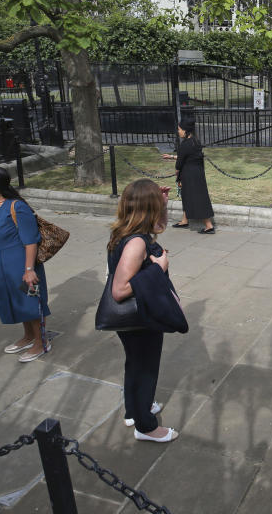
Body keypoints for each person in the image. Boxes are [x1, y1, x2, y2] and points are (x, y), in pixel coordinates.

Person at [107, 179, 178, 443]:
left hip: (132, 318)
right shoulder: (137, 243)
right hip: (141, 318)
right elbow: (120, 289)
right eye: (157, 204)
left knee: (136, 364)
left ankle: (135, 409)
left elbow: (159, 226)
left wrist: (164, 204)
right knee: (145, 368)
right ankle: (145, 426)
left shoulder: (125, 232)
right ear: (148, 207)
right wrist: (159, 267)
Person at [0, 166, 50, 362]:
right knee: (14, 301)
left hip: (20, 266)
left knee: (30, 303)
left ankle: (41, 342)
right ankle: (29, 336)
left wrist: (29, 270)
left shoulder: (17, 207)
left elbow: (31, 241)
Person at [161, 119, 215, 234]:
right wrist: (171, 156)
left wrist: (177, 172)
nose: (178, 131)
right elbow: (189, 157)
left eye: (179, 129)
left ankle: (209, 226)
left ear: (185, 130)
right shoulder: (195, 141)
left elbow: (179, 163)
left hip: (189, 175)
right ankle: (184, 220)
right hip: (198, 173)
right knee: (187, 196)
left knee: (197, 198)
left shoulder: (185, 145)